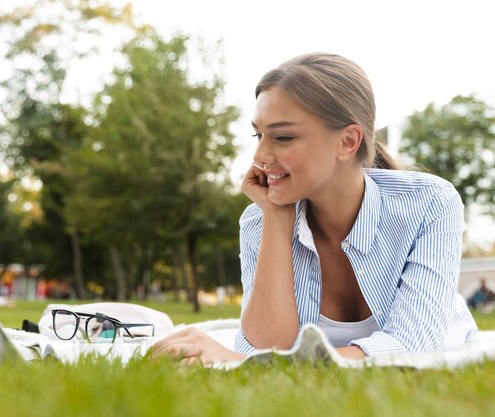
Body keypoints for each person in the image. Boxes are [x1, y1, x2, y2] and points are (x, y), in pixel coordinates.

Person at [151, 52, 478, 364]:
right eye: (258, 134)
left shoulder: (430, 204)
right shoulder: (258, 217)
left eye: (282, 138)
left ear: (347, 142)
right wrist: (276, 216)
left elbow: (414, 346)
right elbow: (264, 346)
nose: (260, 156)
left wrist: (258, 364)